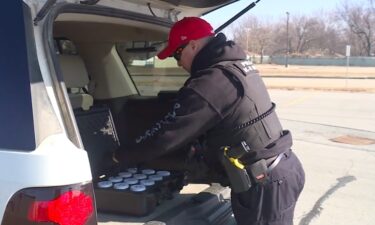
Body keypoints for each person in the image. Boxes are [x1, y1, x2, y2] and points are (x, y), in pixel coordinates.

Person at [115, 17, 305, 225]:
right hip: (281, 169)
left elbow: (167, 136)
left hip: (266, 183)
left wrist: (120, 157)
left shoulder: (210, 82)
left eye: (177, 54)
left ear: (193, 44)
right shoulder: (236, 66)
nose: (178, 63)